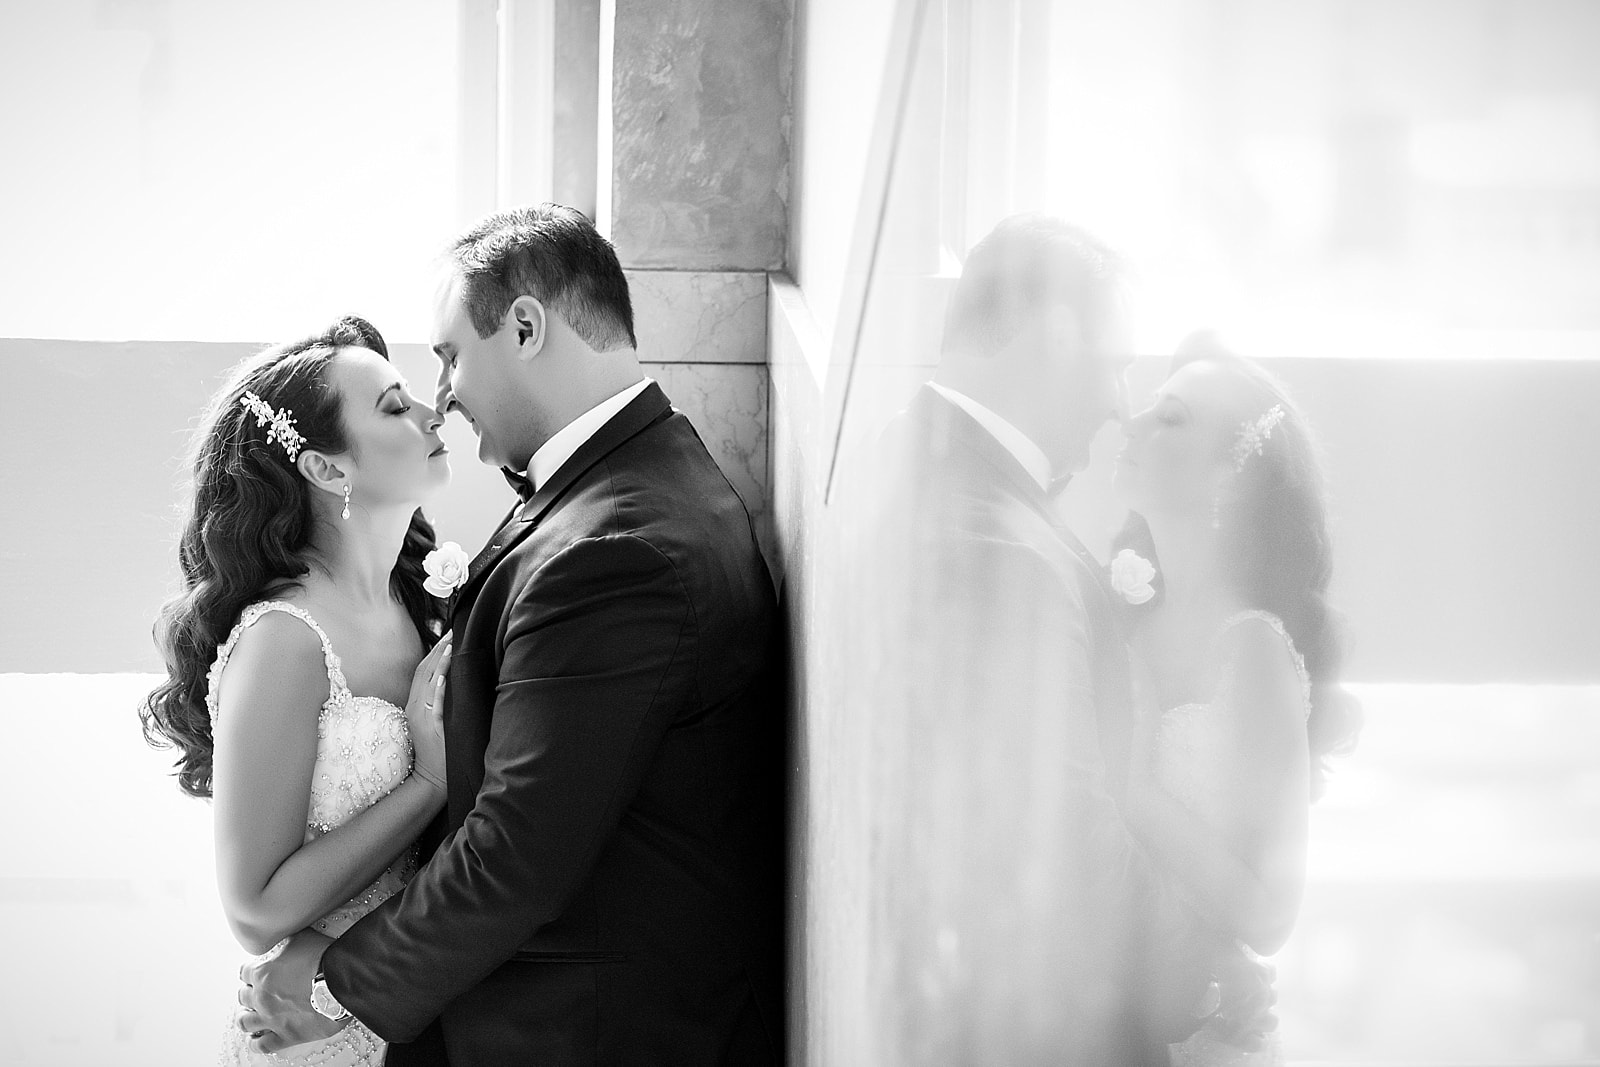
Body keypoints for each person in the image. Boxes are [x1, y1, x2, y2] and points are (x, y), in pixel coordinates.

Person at [237, 204, 784, 1064]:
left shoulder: (612, 550)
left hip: (588, 1033)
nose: (443, 398)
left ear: (525, 326)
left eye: (450, 357)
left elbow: (516, 852)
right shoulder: (635, 481)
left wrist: (336, 983)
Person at [849, 215, 1271, 1065]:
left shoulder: (913, 456)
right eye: (1114, 367)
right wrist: (1204, 970)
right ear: (1053, 333)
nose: (1120, 407)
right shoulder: (999, 546)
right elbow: (1058, 835)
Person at [140, 315, 457, 1066]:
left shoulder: (419, 600)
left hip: (411, 1000)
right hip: (317, 1030)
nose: (430, 412)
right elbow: (253, 911)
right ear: (327, 469)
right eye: (392, 405)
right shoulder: (285, 639)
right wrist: (427, 782)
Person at [1112, 333, 1361, 1065]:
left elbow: (1271, 914)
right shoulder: (1120, 611)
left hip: (1209, 1042)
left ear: (1231, 475)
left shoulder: (1252, 650)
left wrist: (1136, 790)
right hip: (1112, 1013)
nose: (1133, 424)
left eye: (1173, 416)